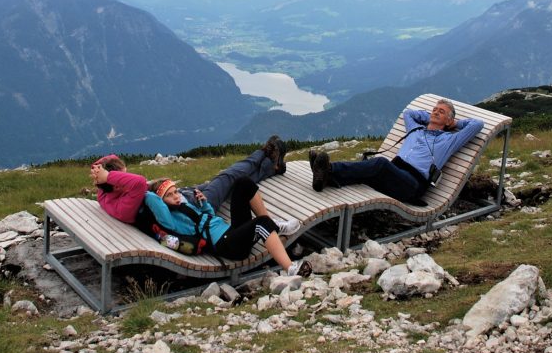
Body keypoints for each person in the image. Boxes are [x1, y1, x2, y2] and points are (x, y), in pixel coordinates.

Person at [309, 99, 484, 203]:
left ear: (449, 120)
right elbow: (409, 113)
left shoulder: (449, 140)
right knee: (370, 172)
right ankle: (325, 178)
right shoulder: (415, 129)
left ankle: (329, 169)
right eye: (434, 110)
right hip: (394, 175)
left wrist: (453, 124)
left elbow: (477, 124)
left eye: (442, 112)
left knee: (380, 163)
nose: (436, 112)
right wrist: (430, 118)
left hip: (412, 185)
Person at [89, 135, 290, 225]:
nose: (127, 177)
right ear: (114, 181)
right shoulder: (124, 204)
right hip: (194, 205)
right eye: (123, 176)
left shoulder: (106, 194)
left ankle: (271, 167)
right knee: (229, 176)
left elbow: (114, 161)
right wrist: (108, 175)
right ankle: (265, 153)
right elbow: (140, 182)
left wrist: (101, 172)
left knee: (230, 183)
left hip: (181, 196)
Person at [143, 175, 311, 276]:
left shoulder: (183, 204)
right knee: (261, 223)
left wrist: (203, 204)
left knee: (243, 183)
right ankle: (291, 268)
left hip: (231, 233)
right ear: (161, 201)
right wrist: (145, 187)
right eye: (170, 195)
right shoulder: (170, 219)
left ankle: (273, 226)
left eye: (176, 191)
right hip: (227, 246)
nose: (176, 196)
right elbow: (152, 198)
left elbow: (209, 216)